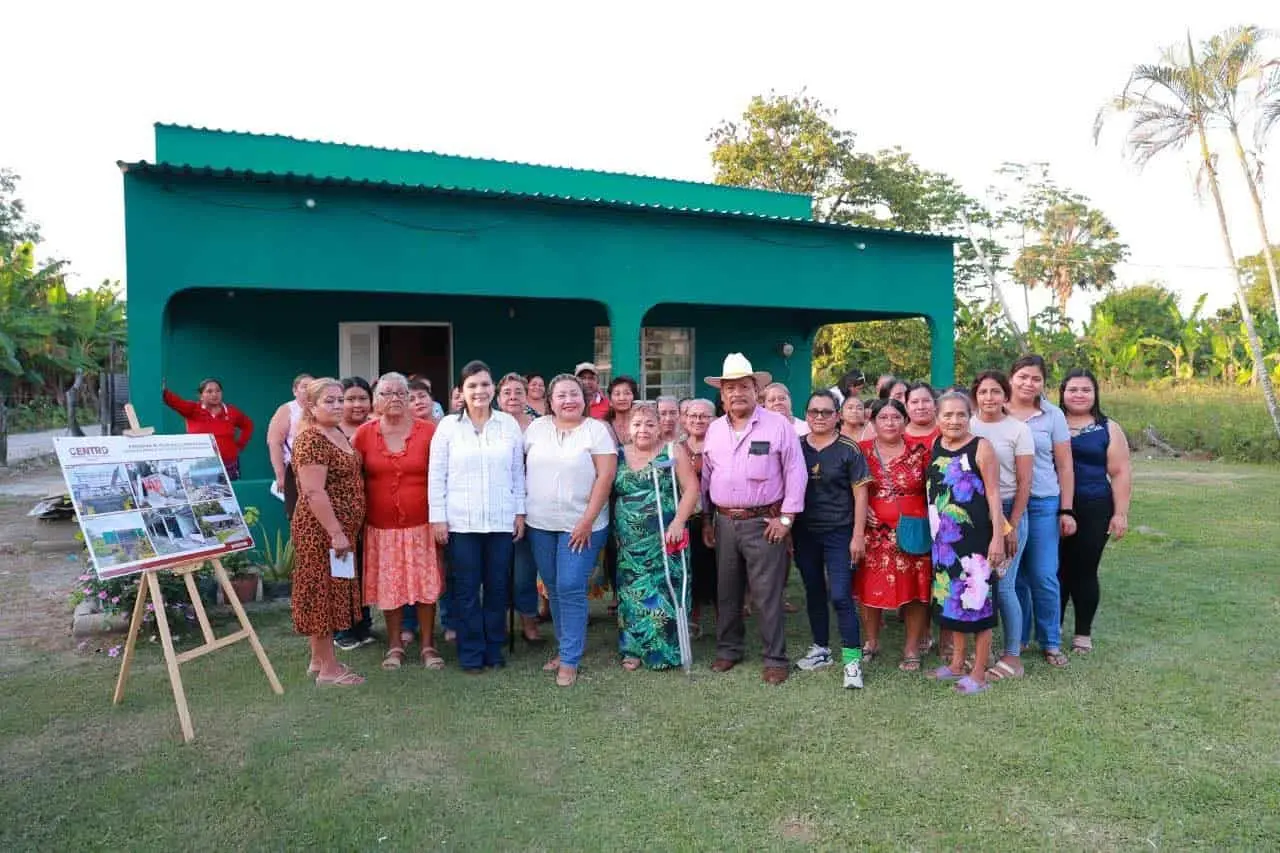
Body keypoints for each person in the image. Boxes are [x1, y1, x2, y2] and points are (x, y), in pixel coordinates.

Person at [700, 353, 807, 685]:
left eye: (743, 387)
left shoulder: (778, 426)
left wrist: (787, 519)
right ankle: (728, 650)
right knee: (727, 591)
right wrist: (706, 519)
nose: (736, 394)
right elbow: (706, 476)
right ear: (722, 394)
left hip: (765, 523)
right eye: (730, 388)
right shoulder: (715, 430)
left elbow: (796, 472)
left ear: (755, 391)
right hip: (723, 522)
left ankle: (775, 658)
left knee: (766, 594)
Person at [429, 361, 524, 673]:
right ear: (461, 392)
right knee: (466, 590)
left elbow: (517, 473)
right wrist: (438, 518)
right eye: (472, 386)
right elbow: (437, 475)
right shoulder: (447, 427)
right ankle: (470, 651)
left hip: (500, 520)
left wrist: (519, 512)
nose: (479, 391)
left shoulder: (507, 425)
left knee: (497, 588)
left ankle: (493, 648)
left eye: (484, 384)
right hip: (461, 522)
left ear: (492, 388)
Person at [524, 373, 618, 687]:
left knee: (570, 584)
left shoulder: (597, 431)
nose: (568, 400)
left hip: (583, 525)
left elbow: (605, 477)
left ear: (585, 399)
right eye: (561, 395)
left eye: (574, 394)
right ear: (550, 402)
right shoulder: (536, 428)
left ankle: (569, 659)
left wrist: (587, 521)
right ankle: (566, 647)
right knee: (552, 585)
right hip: (540, 523)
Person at [352, 372, 444, 671]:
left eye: (400, 393)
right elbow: (350, 477)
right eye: (387, 393)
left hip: (422, 524)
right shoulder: (364, 434)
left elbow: (444, 476)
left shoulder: (429, 431)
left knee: (425, 586)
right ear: (376, 400)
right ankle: (394, 645)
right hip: (381, 527)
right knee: (390, 588)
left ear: (409, 398)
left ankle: (429, 646)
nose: (394, 399)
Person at [927, 391, 1006, 694]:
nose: (954, 420)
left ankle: (979, 674)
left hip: (976, 541)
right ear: (938, 418)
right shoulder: (937, 445)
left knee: (979, 604)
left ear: (970, 415)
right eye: (947, 415)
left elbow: (994, 495)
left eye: (960, 414)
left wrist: (998, 537)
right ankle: (957, 664)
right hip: (944, 542)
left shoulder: (981, 447)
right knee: (954, 602)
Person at [612, 403, 700, 670]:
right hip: (629, 544)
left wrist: (678, 522)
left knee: (664, 591)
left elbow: (691, 489)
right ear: (628, 427)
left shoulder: (673, 451)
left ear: (660, 426)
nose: (643, 430)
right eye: (637, 424)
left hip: (667, 538)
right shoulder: (617, 455)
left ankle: (667, 649)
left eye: (650, 424)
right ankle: (633, 649)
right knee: (631, 594)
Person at [792, 391, 871, 690]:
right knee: (813, 590)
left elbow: (860, 494)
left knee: (840, 595)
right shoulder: (796, 446)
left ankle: (852, 661)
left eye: (826, 412)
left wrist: (858, 535)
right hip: (805, 531)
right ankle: (821, 649)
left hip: (841, 531)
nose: (820, 417)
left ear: (837, 415)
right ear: (806, 415)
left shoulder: (849, 449)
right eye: (814, 412)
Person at [291, 378, 366, 687]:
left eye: (340, 400)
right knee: (321, 594)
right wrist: (336, 533)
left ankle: (317, 659)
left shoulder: (335, 433)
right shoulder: (311, 439)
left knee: (325, 590)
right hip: (320, 531)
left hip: (337, 529)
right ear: (311, 405)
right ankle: (329, 670)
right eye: (330, 401)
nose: (338, 406)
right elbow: (313, 492)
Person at [1006, 354, 1075, 668]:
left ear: (1043, 384)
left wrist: (1067, 509)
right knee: (1015, 575)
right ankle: (1018, 637)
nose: (1028, 383)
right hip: (1007, 504)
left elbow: (1064, 466)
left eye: (1035, 379)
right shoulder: (995, 410)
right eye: (1022, 377)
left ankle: (1050, 640)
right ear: (1011, 378)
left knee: (1044, 574)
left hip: (1043, 502)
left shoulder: (1053, 415)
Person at [1059, 369, 1131, 654]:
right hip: (1053, 506)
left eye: (1085, 389)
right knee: (1055, 570)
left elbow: (1120, 472)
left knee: (1084, 570)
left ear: (1095, 394)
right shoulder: (1050, 422)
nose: (1078, 394)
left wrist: (1120, 513)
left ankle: (1082, 633)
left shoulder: (1107, 427)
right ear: (1062, 393)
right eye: (1072, 389)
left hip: (1094, 506)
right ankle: (1052, 629)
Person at [857, 398, 932, 671]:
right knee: (869, 587)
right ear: (873, 422)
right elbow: (847, 489)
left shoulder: (920, 451)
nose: (890, 423)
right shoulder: (861, 451)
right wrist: (861, 510)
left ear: (905, 421)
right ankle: (872, 641)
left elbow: (933, 489)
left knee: (915, 591)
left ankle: (911, 647)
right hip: (873, 534)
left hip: (913, 533)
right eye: (884, 418)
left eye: (896, 417)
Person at [969, 370, 1034, 680]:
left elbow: (1024, 482)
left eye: (996, 392)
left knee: (1005, 586)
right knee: (977, 581)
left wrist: (1013, 525)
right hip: (974, 510)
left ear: (1005, 395)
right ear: (975, 395)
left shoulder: (1018, 430)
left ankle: (1012, 655)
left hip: (1008, 509)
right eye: (983, 392)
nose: (989, 398)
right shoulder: (966, 424)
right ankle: (982, 651)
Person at [497, 373, 543, 644]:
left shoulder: (539, 426)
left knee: (525, 570)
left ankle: (528, 620)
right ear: (498, 397)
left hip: (532, 504)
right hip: (498, 505)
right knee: (498, 570)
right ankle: (500, 621)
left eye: (518, 392)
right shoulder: (491, 425)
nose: (513, 397)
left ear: (527, 396)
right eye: (507, 393)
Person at [334, 376, 375, 651]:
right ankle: (342, 629)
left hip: (369, 513)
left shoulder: (374, 429)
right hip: (338, 514)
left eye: (362, 398)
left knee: (363, 569)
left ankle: (363, 624)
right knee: (342, 571)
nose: (357, 404)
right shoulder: (330, 430)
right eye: (350, 399)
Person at [161, 378, 254, 480]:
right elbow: (173, 401)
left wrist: (239, 446)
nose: (214, 394)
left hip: (229, 466)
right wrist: (163, 390)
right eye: (209, 391)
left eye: (218, 391)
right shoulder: (193, 409)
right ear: (201, 396)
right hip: (202, 467)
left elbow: (248, 425)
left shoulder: (231, 411)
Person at [680, 398, 717, 636]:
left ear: (713, 420)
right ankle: (693, 617)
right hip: (686, 518)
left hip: (716, 517)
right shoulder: (676, 448)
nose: (698, 420)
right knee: (689, 567)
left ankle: (723, 617)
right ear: (685, 419)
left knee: (716, 569)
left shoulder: (720, 446)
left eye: (704, 416)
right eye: (693, 415)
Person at [268, 373, 313, 519]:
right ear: (295, 390)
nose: (308, 390)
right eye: (304, 387)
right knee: (299, 514)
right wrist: (281, 475)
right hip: (294, 470)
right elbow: (274, 442)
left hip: (318, 469)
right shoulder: (287, 409)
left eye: (312, 387)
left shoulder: (320, 408)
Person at [903, 381, 940, 452]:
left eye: (926, 401)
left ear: (935, 404)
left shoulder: (947, 432)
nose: (921, 407)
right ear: (906, 407)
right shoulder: (898, 436)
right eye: (914, 402)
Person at [604, 376, 638, 447]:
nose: (622, 398)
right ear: (610, 401)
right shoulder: (604, 427)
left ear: (634, 398)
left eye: (627, 393)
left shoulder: (643, 425)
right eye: (617, 394)